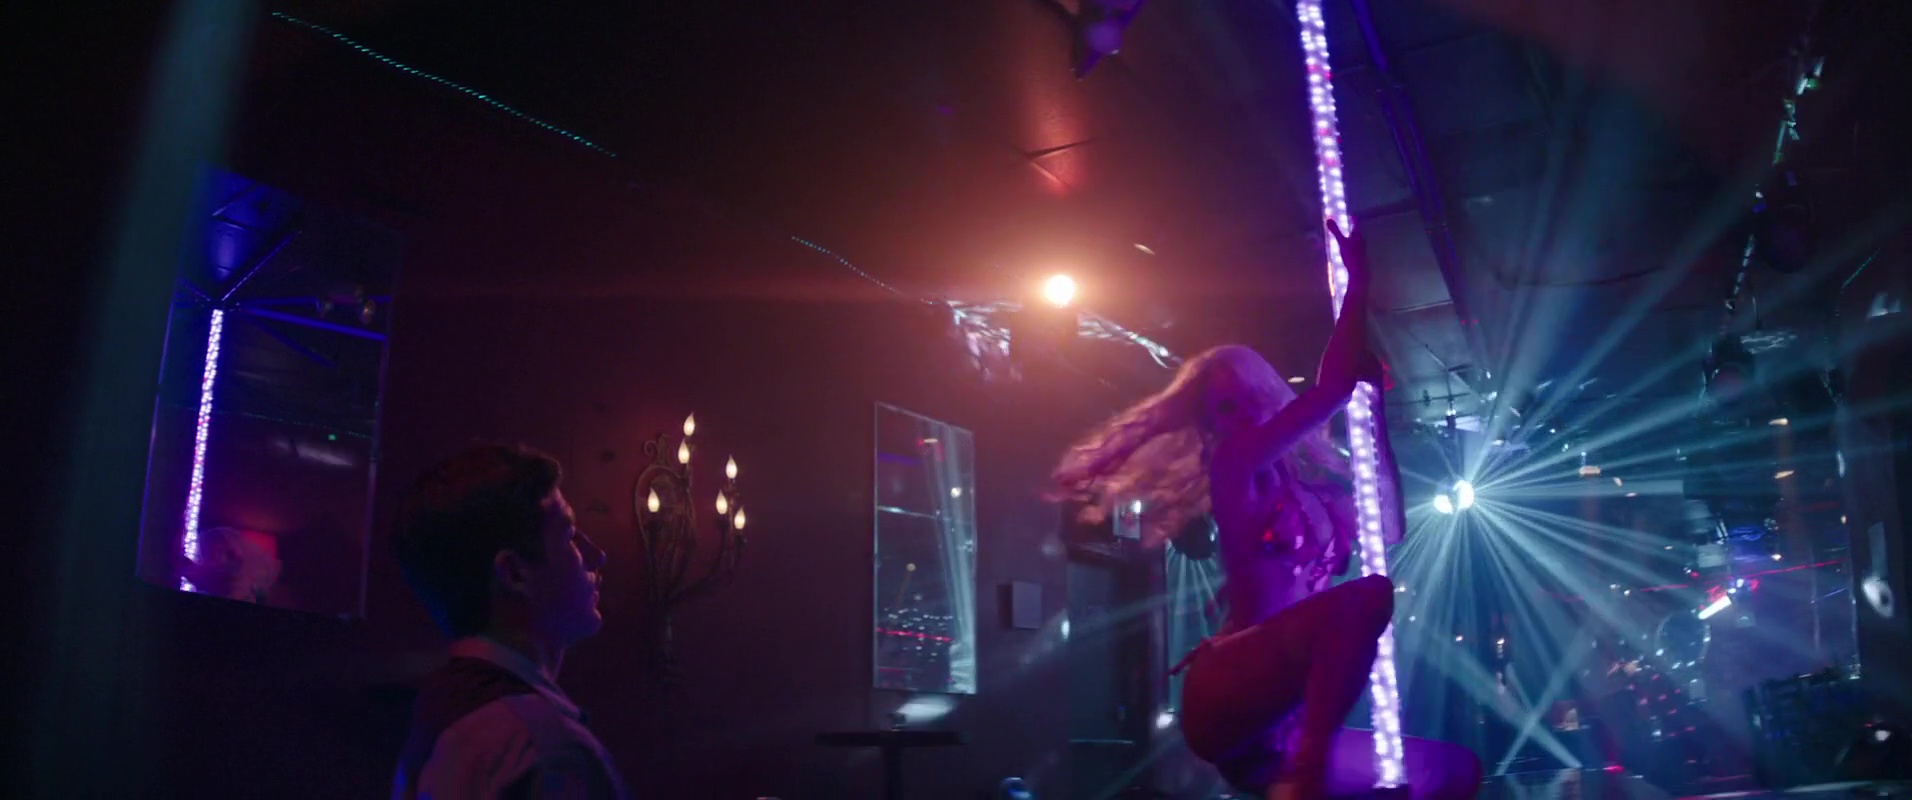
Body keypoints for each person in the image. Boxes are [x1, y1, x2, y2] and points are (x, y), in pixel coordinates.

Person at [1051, 221, 1481, 800]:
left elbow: (1390, 524)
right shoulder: (1233, 471)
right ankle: (1307, 776)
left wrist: (1375, 410)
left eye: (1245, 400)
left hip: (1285, 725)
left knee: (1453, 772)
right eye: (1221, 409)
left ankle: (1303, 771)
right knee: (1365, 597)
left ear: (1266, 397)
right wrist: (1357, 286)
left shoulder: (1311, 499)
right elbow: (1330, 389)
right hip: (1230, 694)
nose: (1238, 417)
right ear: (1210, 424)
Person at [390, 444, 626, 799]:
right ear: (515, 573)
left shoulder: (440, 713)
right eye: (569, 536)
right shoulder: (543, 748)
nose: (596, 555)